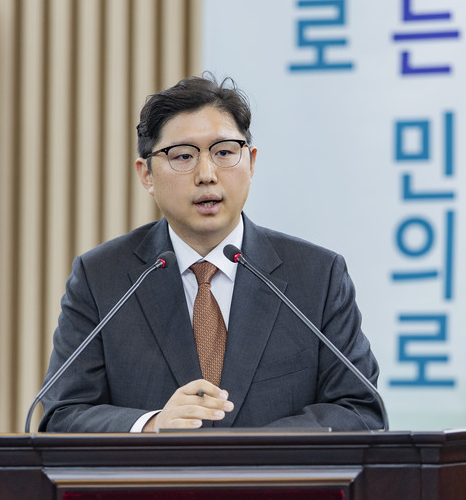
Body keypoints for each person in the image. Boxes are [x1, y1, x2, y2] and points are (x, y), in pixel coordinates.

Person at [39, 74, 384, 432]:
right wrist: (152, 425)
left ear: (251, 162)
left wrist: (260, 450)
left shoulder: (316, 276)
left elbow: (359, 409)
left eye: (224, 153)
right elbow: (62, 415)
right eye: (183, 156)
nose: (207, 174)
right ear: (147, 175)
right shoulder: (101, 278)